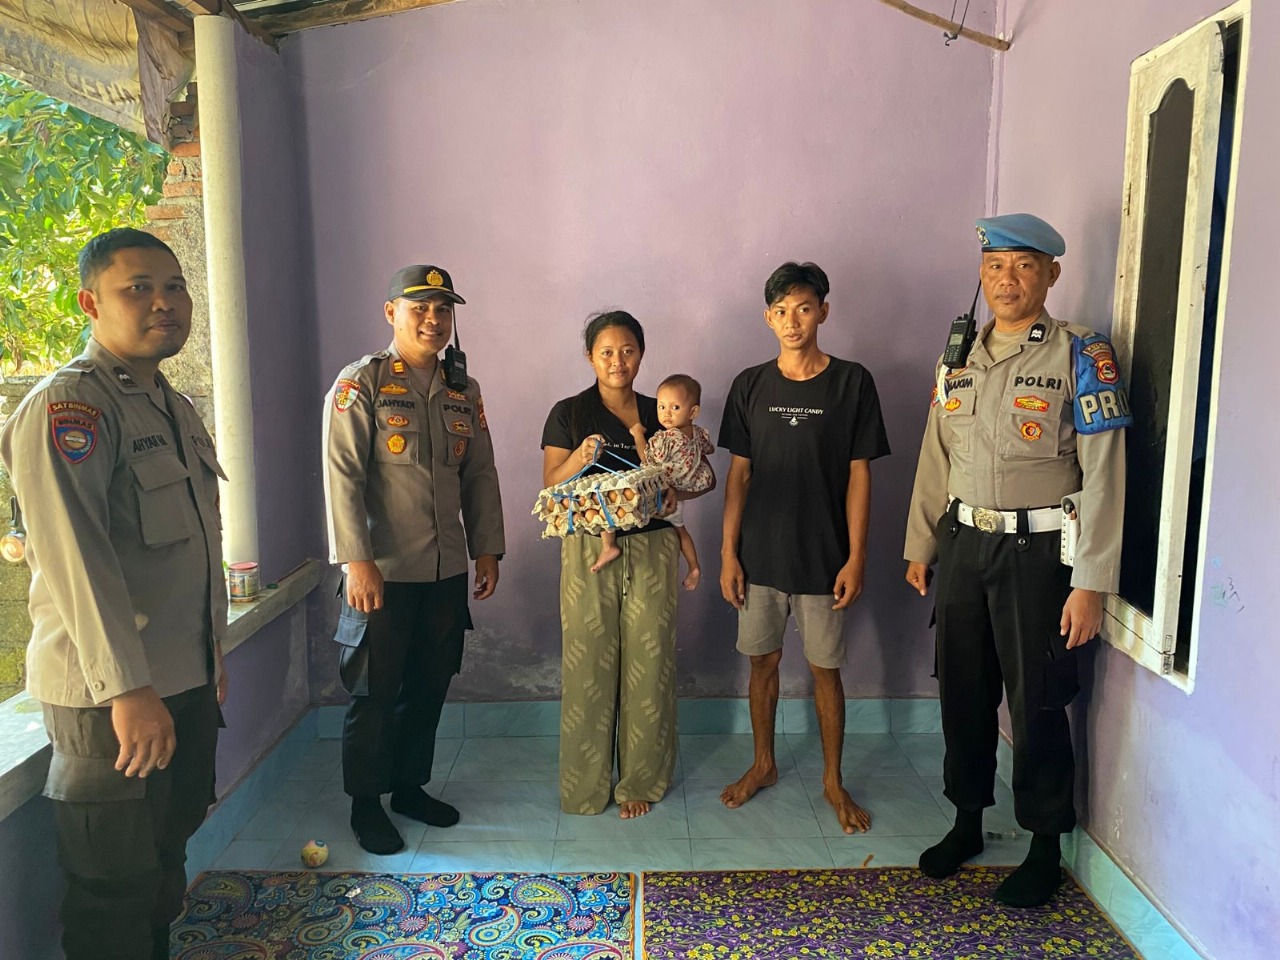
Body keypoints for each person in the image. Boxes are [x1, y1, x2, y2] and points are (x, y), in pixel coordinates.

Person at [0, 228, 227, 960]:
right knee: (113, 887)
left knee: (166, 861)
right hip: (111, 700)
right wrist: (127, 689)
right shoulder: (70, 407)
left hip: (181, 681)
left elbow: (193, 552)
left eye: (174, 286)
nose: (164, 302)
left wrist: (211, 657)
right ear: (89, 303)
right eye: (139, 288)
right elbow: (76, 562)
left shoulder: (170, 405)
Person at [903, 214, 1131, 907]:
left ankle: (1044, 844)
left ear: (1051, 274)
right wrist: (921, 545)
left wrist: (1090, 582)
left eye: (1025, 265)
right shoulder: (958, 358)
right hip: (965, 544)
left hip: (1039, 554)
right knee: (962, 690)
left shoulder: (1081, 355)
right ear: (982, 273)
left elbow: (1105, 474)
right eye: (996, 266)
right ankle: (967, 820)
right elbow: (936, 455)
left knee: (1038, 699)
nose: (1008, 279)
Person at [323, 264, 505, 855]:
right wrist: (356, 561)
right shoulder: (363, 383)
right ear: (391, 312)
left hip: (444, 569)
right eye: (419, 308)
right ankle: (365, 804)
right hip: (381, 573)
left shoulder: (463, 391)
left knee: (429, 684)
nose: (433, 319)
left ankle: (408, 788)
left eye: (443, 309)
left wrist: (486, 548)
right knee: (374, 691)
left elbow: (479, 474)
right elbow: (342, 476)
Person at [718, 261, 890, 835]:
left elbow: (860, 474)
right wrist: (728, 553)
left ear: (823, 312)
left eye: (804, 309)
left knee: (825, 671)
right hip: (760, 557)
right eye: (781, 311)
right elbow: (739, 475)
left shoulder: (852, 383)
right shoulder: (749, 385)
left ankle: (833, 781)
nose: (793, 321)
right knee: (761, 664)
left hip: (823, 556)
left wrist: (856, 557)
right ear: (768, 318)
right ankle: (763, 764)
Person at [542, 312, 702, 819]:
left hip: (654, 547)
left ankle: (640, 781)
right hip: (590, 549)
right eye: (607, 352)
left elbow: (695, 473)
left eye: (628, 350)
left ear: (641, 354)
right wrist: (583, 455)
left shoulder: (663, 410)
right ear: (590, 356)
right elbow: (551, 484)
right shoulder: (569, 412)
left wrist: (678, 493)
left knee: (650, 665)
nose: (618, 361)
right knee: (587, 664)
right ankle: (584, 787)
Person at [594, 372, 714, 590]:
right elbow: (709, 450)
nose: (666, 414)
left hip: (661, 490)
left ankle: (608, 545)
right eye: (661, 407)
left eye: (675, 407)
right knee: (680, 529)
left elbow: (647, 459)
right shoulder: (698, 434)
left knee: (610, 500)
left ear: (693, 412)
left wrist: (638, 435)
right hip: (683, 491)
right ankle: (694, 566)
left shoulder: (666, 438)